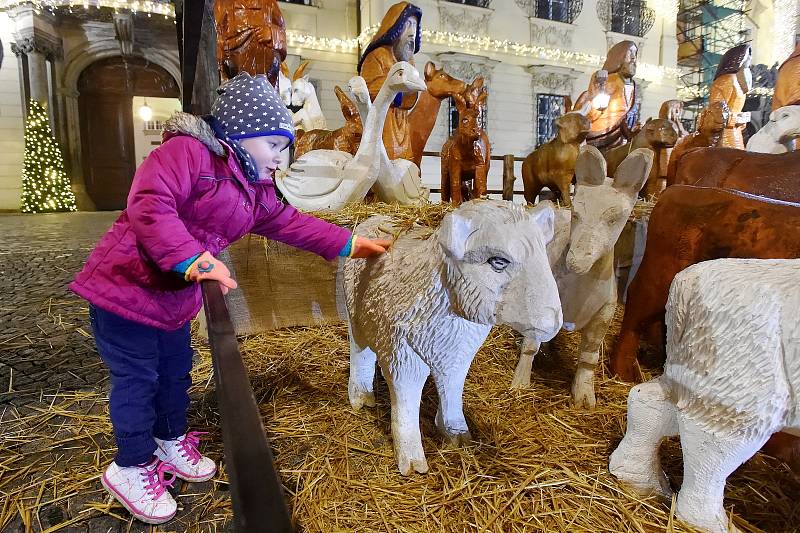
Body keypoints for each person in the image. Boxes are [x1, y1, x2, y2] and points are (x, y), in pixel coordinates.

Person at [69, 73, 391, 525]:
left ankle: (168, 438)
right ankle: (131, 465)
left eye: (286, 150)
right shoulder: (188, 153)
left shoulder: (254, 190)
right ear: (241, 134)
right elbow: (150, 204)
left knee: (176, 373)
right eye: (275, 146)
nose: (281, 160)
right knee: (137, 380)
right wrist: (196, 261)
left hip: (171, 301)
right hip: (125, 291)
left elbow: (293, 224)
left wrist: (349, 244)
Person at [357, 1, 422, 161]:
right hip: (381, 125)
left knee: (404, 165)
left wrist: (407, 91)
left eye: (414, 25)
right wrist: (397, 90)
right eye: (407, 24)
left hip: (401, 126)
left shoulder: (409, 60)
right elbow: (368, 88)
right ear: (395, 26)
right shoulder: (377, 55)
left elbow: (412, 96)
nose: (412, 32)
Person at [574, 40, 639, 150]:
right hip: (603, 134)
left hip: (625, 134)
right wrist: (597, 105)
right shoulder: (605, 80)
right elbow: (591, 108)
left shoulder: (633, 85)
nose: (633, 58)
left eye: (635, 53)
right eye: (630, 52)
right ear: (619, 56)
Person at [709, 43, 752, 149]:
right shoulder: (727, 80)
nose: (750, 60)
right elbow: (717, 112)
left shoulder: (740, 82)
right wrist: (737, 118)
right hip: (724, 136)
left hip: (735, 132)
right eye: (748, 57)